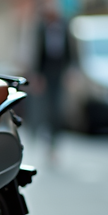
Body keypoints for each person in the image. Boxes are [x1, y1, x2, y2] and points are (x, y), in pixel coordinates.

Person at [35, 8, 71, 157]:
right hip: (46, 72)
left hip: (60, 71)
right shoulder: (42, 30)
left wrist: (70, 71)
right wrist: (38, 75)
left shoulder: (64, 29)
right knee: (47, 107)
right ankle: (48, 137)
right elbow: (38, 53)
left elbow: (69, 51)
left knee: (57, 107)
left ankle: (55, 138)